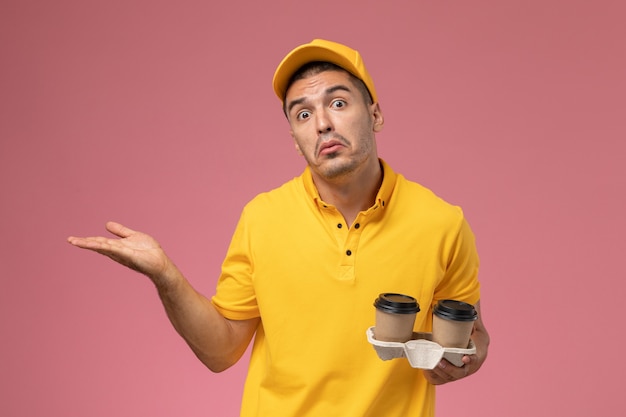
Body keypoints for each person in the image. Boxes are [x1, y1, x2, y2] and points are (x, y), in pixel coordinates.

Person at [68, 39, 490, 416]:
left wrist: (467, 357)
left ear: (375, 114)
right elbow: (220, 351)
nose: (322, 123)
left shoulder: (441, 222)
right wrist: (166, 276)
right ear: (294, 138)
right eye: (303, 113)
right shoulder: (262, 218)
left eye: (338, 103)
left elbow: (469, 336)